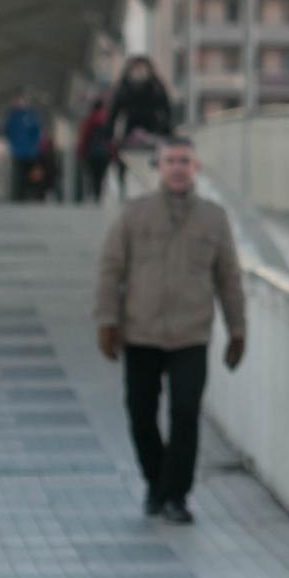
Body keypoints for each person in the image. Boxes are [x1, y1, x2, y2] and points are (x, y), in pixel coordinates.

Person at [93, 136, 246, 524]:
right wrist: (106, 321)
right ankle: (155, 483)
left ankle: (175, 495)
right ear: (158, 168)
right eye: (170, 160)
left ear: (196, 168)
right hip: (141, 333)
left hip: (190, 335)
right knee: (141, 413)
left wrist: (237, 329)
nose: (178, 167)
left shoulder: (214, 218)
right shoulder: (134, 214)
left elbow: (228, 277)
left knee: (185, 413)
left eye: (185, 161)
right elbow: (111, 269)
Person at [106, 57, 173, 197]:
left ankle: (157, 187)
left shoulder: (156, 87)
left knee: (155, 160)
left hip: (152, 129)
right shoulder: (123, 89)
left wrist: (164, 132)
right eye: (136, 69)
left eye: (142, 69)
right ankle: (123, 188)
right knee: (124, 161)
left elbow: (166, 112)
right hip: (130, 129)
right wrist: (110, 135)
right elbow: (113, 113)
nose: (139, 72)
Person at [2, 93, 42, 202]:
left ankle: (29, 194)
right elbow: (7, 131)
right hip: (18, 151)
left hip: (30, 151)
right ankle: (19, 196)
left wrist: (35, 145)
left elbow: (37, 131)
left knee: (30, 174)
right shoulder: (13, 116)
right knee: (19, 174)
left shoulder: (31, 116)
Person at [78, 97, 113, 202]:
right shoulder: (108, 119)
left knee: (93, 175)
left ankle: (94, 194)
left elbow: (84, 137)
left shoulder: (89, 120)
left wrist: (81, 152)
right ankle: (99, 195)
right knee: (101, 175)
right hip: (104, 153)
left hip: (92, 153)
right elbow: (111, 138)